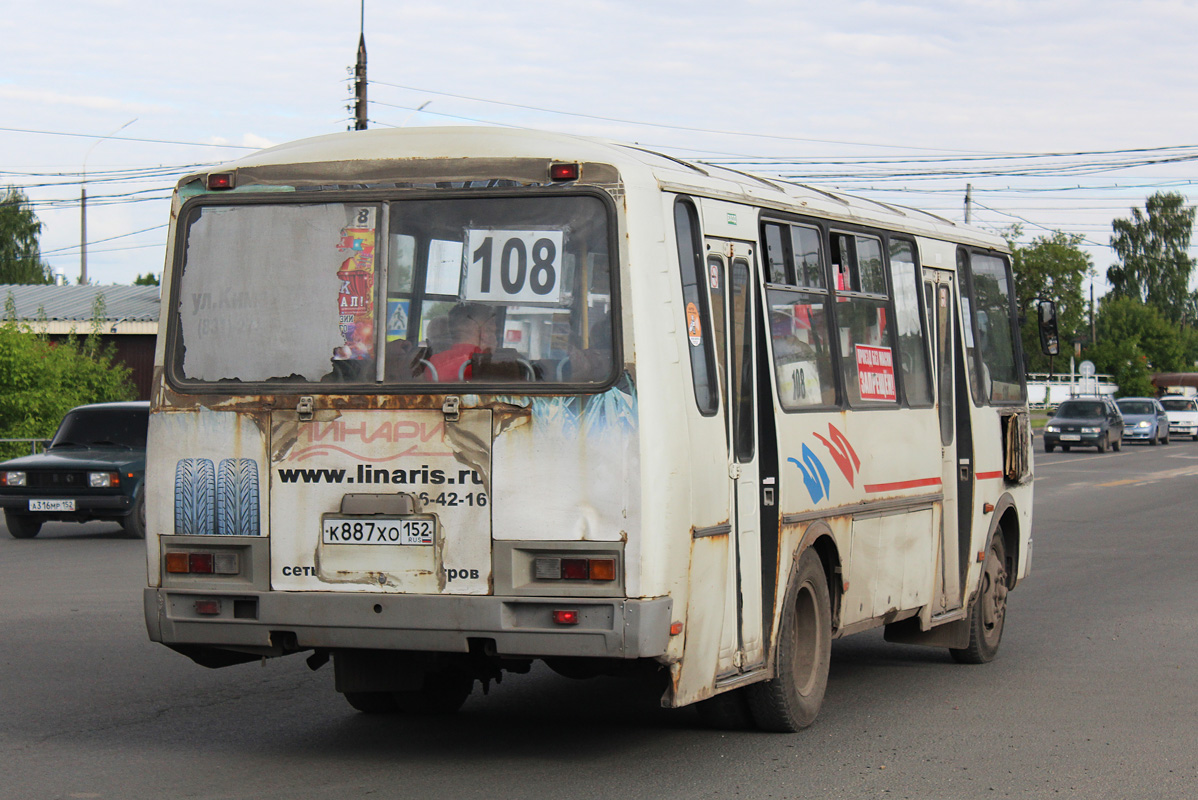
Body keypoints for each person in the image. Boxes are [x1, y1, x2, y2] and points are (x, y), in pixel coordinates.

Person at [425, 303, 498, 381]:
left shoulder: (431, 363)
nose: (494, 328)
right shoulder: (486, 365)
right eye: (490, 329)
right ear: (480, 331)